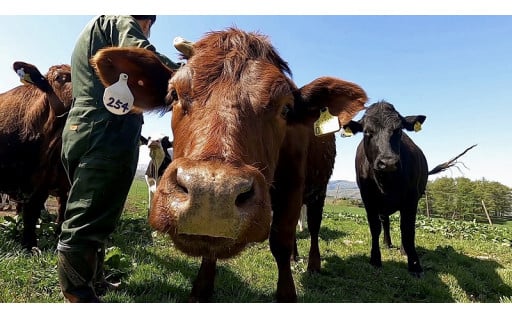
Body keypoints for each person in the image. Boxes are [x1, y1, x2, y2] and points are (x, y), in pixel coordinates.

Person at [58, 15, 180, 303]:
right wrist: (189, 72)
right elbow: (144, 54)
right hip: (108, 132)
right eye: (148, 26)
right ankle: (77, 294)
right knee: (87, 217)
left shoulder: (94, 29)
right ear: (147, 21)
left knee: (96, 211)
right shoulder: (121, 20)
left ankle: (93, 279)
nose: (146, 31)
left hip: (83, 128)